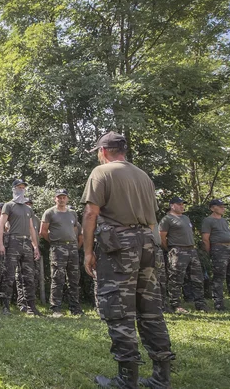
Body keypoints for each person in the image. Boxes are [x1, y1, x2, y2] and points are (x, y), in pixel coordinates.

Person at [81, 131, 175, 389]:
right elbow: (154, 220)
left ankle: (126, 380)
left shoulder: (101, 173)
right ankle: (161, 376)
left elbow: (91, 213)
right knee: (151, 311)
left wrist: (88, 252)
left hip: (119, 248)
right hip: (147, 244)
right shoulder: (144, 176)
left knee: (119, 310)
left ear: (103, 151)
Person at [0, 179, 42, 316]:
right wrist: (0, 244)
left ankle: (31, 307)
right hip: (13, 242)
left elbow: (31, 228)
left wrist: (35, 246)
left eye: (23, 187)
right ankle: (5, 307)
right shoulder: (8, 206)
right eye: (18, 187)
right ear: (13, 189)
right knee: (9, 275)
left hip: (26, 243)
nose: (21, 190)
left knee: (29, 276)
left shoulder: (28, 208)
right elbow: (1, 225)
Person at [41, 189, 84, 318]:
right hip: (57, 248)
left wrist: (75, 245)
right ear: (55, 199)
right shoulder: (50, 212)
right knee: (57, 278)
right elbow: (43, 231)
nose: (61, 199)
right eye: (59, 197)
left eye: (64, 197)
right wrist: (54, 242)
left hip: (72, 248)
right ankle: (56, 308)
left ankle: (75, 308)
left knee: (74, 279)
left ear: (67, 199)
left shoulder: (72, 213)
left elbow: (76, 229)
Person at [159, 196, 206, 313]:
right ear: (172, 205)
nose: (182, 206)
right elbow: (161, 237)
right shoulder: (167, 219)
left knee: (197, 278)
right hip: (178, 251)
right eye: (179, 204)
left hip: (192, 250)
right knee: (176, 279)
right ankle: (176, 305)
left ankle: (200, 304)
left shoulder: (185, 218)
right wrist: (170, 249)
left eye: (183, 204)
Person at [16, 198, 43, 313]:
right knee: (20, 276)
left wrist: (36, 247)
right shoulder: (19, 216)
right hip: (20, 247)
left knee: (32, 277)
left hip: (33, 250)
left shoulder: (35, 219)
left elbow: (39, 234)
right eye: (26, 204)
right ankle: (22, 303)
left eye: (30, 204)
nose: (29, 206)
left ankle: (31, 302)